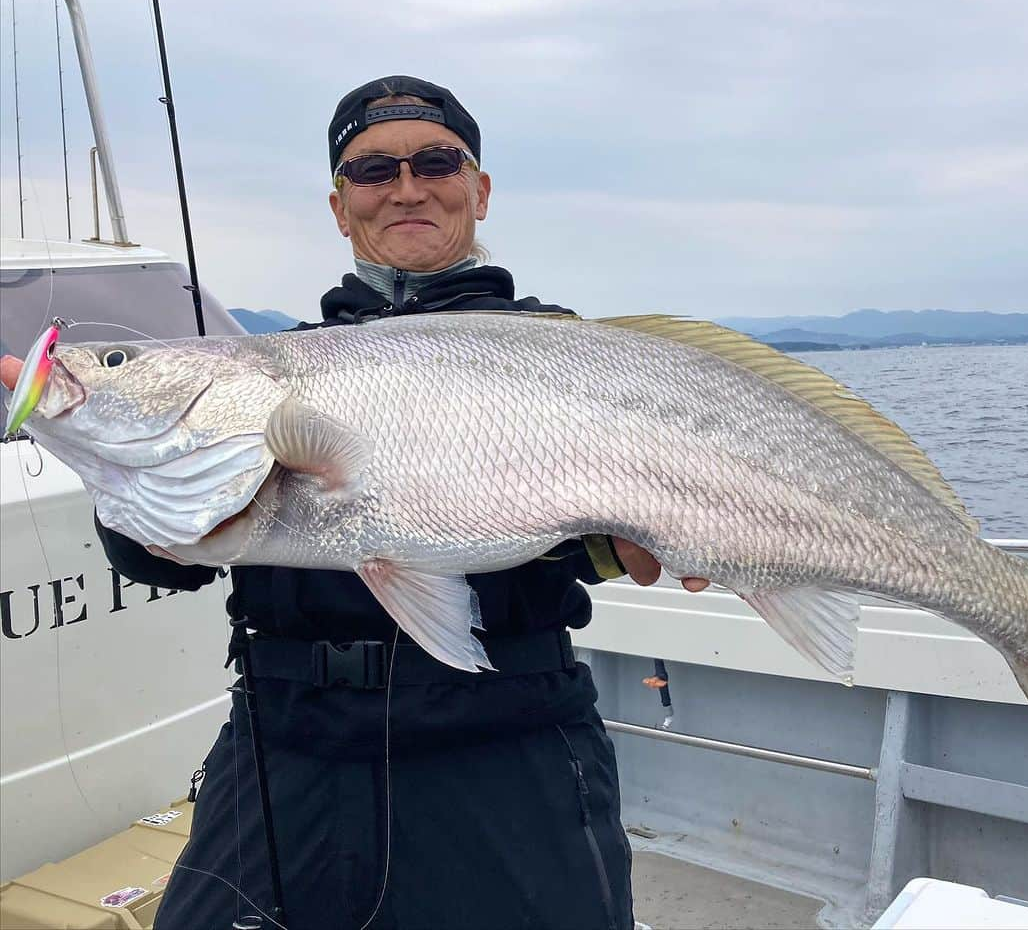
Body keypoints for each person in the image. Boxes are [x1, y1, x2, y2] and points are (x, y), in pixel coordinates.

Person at [96, 75, 707, 930]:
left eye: (436, 161)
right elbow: (160, 548)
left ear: (480, 188)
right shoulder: (270, 369)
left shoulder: (563, 352)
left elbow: (594, 548)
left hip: (503, 737)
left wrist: (642, 540)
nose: (408, 186)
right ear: (341, 207)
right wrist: (125, 492)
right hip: (287, 741)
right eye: (374, 169)